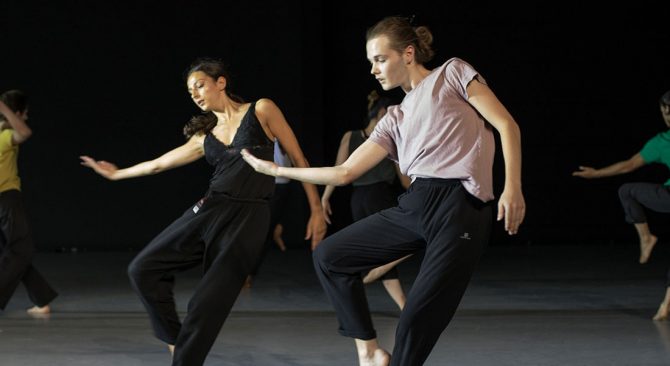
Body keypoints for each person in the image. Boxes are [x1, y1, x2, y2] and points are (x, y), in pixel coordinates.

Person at [242, 16, 525, 366]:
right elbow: (345, 172)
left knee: (414, 323)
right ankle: (370, 350)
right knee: (330, 257)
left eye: (380, 59)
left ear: (408, 54)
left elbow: (506, 124)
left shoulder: (451, 73)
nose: (373, 70)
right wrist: (278, 170)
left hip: (459, 207)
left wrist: (512, 186)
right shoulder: (394, 117)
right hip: (417, 204)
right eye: (370, 63)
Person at [80, 58, 327, 366]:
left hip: (249, 218)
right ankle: (175, 342)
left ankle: (184, 358)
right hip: (210, 209)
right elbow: (158, 163)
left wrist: (316, 209)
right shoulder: (204, 136)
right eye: (190, 91)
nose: (195, 94)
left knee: (205, 305)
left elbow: (299, 158)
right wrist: (117, 174)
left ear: (220, 82)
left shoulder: (261, 110)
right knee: (142, 269)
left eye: (199, 85)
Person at [572, 89, 670, 320]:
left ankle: (666, 305)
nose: (668, 117)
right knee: (627, 190)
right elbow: (629, 165)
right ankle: (646, 237)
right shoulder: (661, 142)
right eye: (665, 113)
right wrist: (597, 174)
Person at [321, 90, 411, 310]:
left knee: (379, 248)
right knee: (396, 247)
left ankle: (397, 299)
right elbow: (404, 180)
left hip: (358, 200)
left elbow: (338, 171)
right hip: (379, 198)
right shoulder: (389, 137)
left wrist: (325, 198)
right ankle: (377, 282)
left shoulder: (350, 136)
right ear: (382, 112)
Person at [0, 90, 58, 316]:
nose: (25, 118)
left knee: (15, 252)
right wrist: (4, 109)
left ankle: (42, 299)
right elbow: (24, 131)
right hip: (6, 199)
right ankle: (41, 299)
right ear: (16, 112)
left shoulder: (4, 133)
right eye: (24, 113)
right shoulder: (5, 136)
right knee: (19, 251)